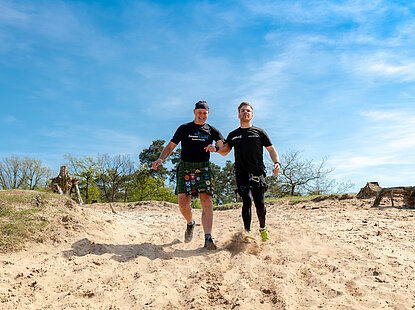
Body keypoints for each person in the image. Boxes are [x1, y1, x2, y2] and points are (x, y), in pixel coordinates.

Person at [152, 100, 224, 250]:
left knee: (207, 202)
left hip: (203, 168)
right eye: (199, 113)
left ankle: (208, 238)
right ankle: (190, 223)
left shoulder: (212, 130)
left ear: (208, 114)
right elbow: (171, 146)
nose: (202, 116)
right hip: (185, 168)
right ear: (194, 112)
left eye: (205, 113)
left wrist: (215, 147)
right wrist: (161, 158)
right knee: (183, 205)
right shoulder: (184, 128)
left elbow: (223, 143)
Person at [208, 102, 280, 242]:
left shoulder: (260, 132)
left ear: (252, 114)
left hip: (258, 173)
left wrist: (276, 163)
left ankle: (262, 228)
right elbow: (225, 151)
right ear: (238, 114)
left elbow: (271, 150)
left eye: (248, 111)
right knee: (247, 200)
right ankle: (247, 231)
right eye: (242, 111)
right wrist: (216, 149)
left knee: (260, 203)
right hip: (241, 173)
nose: (245, 112)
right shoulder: (233, 135)